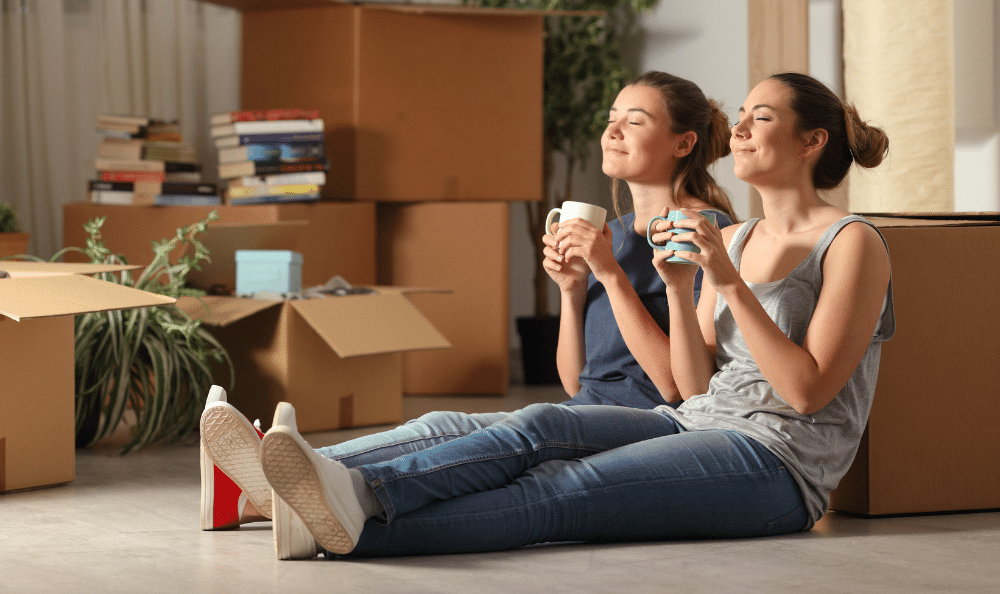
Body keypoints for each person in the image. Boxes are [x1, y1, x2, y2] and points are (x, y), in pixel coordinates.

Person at [255, 71, 894, 558]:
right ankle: (343, 487)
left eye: (762, 117)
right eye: (744, 117)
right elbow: (695, 388)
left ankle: (349, 525)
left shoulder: (853, 242)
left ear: (812, 141)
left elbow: (807, 392)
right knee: (537, 423)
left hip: (777, 464)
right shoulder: (733, 239)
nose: (743, 130)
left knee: (562, 492)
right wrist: (678, 286)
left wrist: (725, 285)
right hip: (693, 422)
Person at [200, 71, 736, 549]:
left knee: (524, 427)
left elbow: (677, 388)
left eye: (635, 121)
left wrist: (609, 275)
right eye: (612, 118)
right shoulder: (611, 234)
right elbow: (578, 382)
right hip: (584, 413)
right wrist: (572, 292)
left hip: (651, 427)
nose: (612, 131)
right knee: (446, 422)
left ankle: (301, 481)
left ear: (683, 142)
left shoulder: (703, 233)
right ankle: (270, 478)